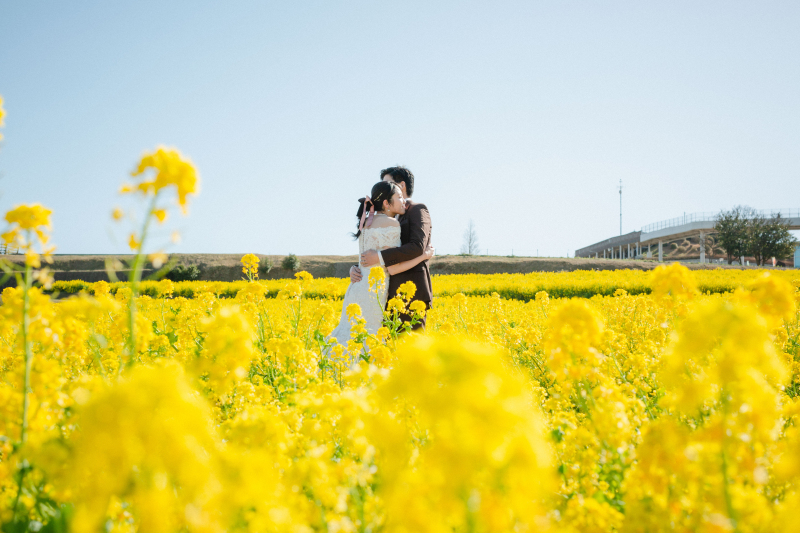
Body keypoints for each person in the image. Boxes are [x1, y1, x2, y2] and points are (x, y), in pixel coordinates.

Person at [329, 180, 434, 346]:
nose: (403, 201)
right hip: (374, 292)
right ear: (386, 203)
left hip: (357, 289)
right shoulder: (391, 224)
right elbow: (393, 269)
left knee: (352, 338)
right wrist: (424, 255)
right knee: (370, 340)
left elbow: (366, 258)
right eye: (398, 197)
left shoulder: (366, 222)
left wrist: (355, 268)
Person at [352, 166, 433, 331]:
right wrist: (356, 267)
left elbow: (417, 246)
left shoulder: (417, 209)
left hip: (411, 293)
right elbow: (374, 247)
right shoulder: (385, 217)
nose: (382, 189)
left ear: (401, 185)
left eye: (388, 184)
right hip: (385, 294)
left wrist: (380, 257)